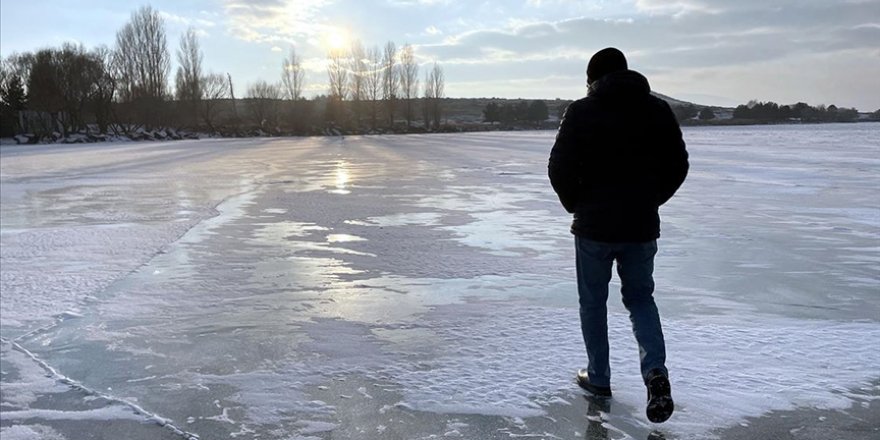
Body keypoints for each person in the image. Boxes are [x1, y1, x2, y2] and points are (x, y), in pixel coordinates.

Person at [548, 47, 688, 424]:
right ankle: (655, 373)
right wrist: (650, 200)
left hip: (593, 227)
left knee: (593, 303)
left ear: (593, 79)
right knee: (641, 299)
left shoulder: (581, 111)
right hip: (640, 226)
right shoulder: (657, 110)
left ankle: (598, 379)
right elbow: (678, 164)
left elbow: (557, 167)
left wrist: (577, 204)